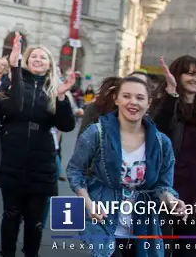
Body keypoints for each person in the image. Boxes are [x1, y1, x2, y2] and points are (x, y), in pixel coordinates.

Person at [67, 75, 188, 257]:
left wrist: (171, 201)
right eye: (126, 96)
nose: (133, 102)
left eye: (140, 98)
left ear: (149, 103)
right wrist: (88, 203)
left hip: (143, 225)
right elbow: (75, 170)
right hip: (103, 220)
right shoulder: (96, 133)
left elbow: (163, 185)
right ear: (116, 99)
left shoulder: (162, 143)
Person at [0, 41, 76, 257]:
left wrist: (61, 97)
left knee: (35, 220)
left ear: (50, 63)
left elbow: (66, 125)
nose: (38, 60)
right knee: (11, 214)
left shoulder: (55, 88)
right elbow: (1, 108)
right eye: (34, 56)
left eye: (43, 57)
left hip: (41, 159)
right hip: (13, 154)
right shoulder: (13, 81)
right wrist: (13, 86)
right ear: (26, 61)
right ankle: (7, 253)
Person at [153, 55, 196, 256]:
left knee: (187, 251)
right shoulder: (162, 102)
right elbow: (156, 135)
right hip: (164, 190)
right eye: (191, 74)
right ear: (178, 74)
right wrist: (171, 94)